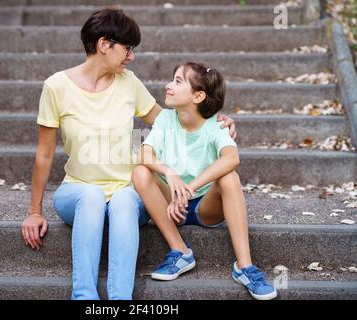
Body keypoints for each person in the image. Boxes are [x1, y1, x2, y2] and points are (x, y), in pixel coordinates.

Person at [21, 8, 236, 300]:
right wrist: (34, 212)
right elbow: (44, 154)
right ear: (104, 44)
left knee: (123, 197)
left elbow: (171, 121)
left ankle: (121, 299)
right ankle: (84, 296)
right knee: (92, 195)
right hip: (77, 191)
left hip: (128, 191)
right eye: (127, 48)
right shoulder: (56, 87)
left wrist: (213, 121)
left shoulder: (129, 82)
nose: (131, 56)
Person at [132, 62, 277, 300]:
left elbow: (231, 159)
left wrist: (190, 188)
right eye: (172, 79)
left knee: (229, 177)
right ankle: (180, 252)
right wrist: (169, 173)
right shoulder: (166, 120)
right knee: (140, 171)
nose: (168, 85)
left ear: (198, 95)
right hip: (171, 202)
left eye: (178, 81)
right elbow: (144, 155)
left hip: (204, 207)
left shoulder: (216, 125)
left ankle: (245, 267)